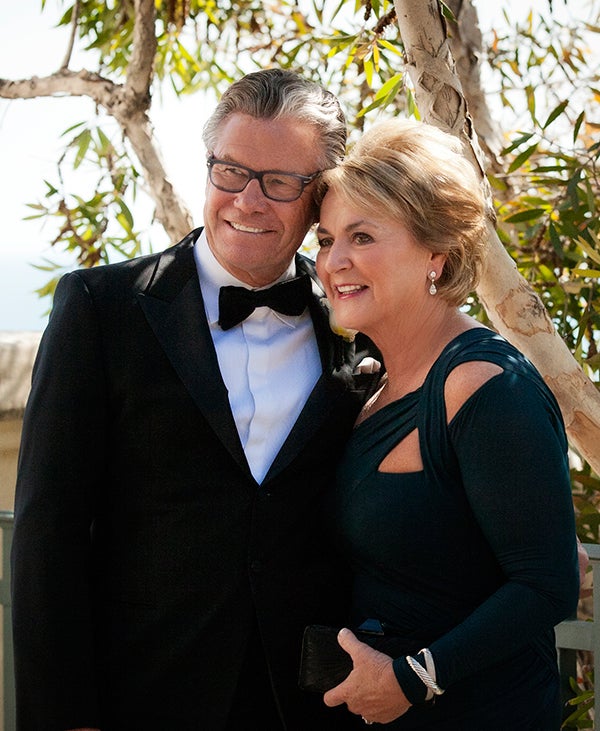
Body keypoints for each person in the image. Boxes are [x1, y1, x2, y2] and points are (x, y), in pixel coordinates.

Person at [11, 69, 373, 731]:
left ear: (322, 195)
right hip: (144, 698)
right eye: (231, 170)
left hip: (313, 706)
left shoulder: (357, 327)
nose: (249, 200)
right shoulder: (101, 308)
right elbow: (47, 535)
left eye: (281, 182)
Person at [313, 118, 580, 729]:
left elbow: (548, 585)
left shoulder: (482, 384)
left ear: (436, 252)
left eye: (362, 236)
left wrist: (413, 679)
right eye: (326, 239)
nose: (335, 261)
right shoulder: (373, 381)